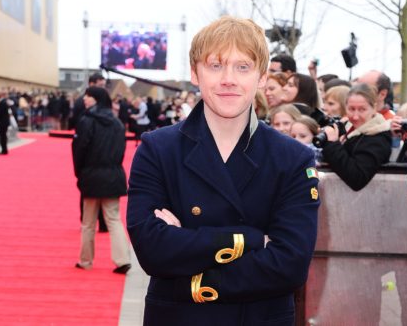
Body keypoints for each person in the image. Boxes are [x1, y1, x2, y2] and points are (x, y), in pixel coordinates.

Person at [127, 16, 320, 326]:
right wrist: (251, 239)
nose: (228, 79)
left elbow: (291, 265)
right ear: (195, 73)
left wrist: (192, 277)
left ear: (260, 78)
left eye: (242, 67)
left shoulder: (292, 159)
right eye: (215, 66)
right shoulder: (157, 149)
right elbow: (152, 250)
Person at [72, 87, 131, 274]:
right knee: (114, 219)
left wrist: (79, 173)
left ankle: (85, 260)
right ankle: (122, 259)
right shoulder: (117, 123)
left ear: (95, 99)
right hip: (113, 173)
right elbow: (121, 150)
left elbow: (79, 149)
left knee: (88, 221)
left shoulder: (86, 121)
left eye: (88, 96)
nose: (85, 99)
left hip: (91, 174)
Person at [319, 83, 392, 191]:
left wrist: (332, 145)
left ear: (374, 108)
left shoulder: (378, 137)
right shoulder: (346, 127)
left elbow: (357, 178)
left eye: (362, 109)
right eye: (351, 109)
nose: (355, 116)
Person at [70, 73, 108, 232]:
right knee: (87, 191)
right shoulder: (83, 105)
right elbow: (80, 140)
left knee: (103, 192)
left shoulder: (103, 103)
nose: (103, 88)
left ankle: (101, 222)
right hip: (90, 153)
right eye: (100, 85)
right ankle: (87, 220)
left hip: (103, 153)